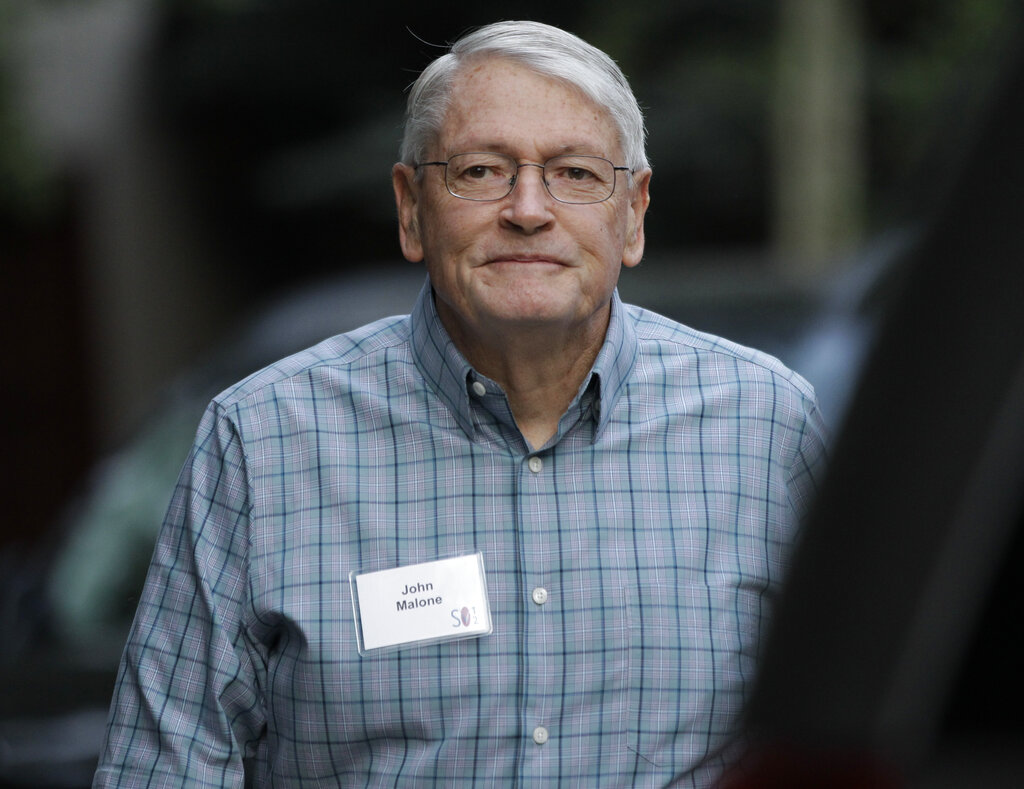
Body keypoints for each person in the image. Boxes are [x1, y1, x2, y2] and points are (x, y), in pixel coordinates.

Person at [94, 20, 827, 787]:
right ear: (411, 208)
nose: (529, 208)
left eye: (576, 173)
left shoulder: (767, 430)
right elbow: (162, 770)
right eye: (481, 171)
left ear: (634, 213)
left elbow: (855, 739)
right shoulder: (265, 442)